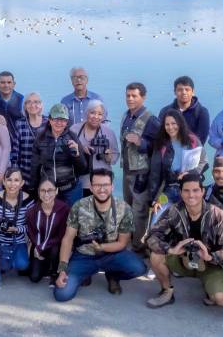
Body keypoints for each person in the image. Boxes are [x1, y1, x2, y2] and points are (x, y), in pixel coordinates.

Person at [53, 169, 147, 301]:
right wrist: (62, 269)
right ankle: (84, 274)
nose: (102, 189)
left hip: (111, 254)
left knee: (139, 268)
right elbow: (68, 239)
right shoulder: (79, 206)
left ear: (112, 186)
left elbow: (122, 243)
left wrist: (102, 247)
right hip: (83, 256)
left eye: (106, 185)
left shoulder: (124, 208)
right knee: (62, 294)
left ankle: (113, 274)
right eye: (97, 185)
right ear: (91, 187)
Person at [145, 172, 223, 308]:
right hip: (183, 260)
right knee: (156, 256)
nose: (191, 195)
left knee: (221, 300)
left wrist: (209, 256)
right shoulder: (174, 211)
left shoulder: (217, 215)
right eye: (186, 191)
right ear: (181, 193)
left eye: (195, 190)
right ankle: (166, 291)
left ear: (202, 191)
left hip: (210, 265)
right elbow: (152, 236)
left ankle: (210, 285)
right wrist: (171, 249)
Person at [120, 82, 161, 252]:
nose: (130, 99)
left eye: (134, 96)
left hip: (141, 172)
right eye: (128, 95)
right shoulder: (126, 116)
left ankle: (139, 246)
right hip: (127, 170)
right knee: (128, 207)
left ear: (143, 97)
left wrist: (141, 142)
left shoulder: (151, 119)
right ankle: (130, 240)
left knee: (139, 211)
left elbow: (160, 146)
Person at [30, 103, 88, 205]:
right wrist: (33, 188)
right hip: (49, 190)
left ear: (67, 122)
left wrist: (77, 154)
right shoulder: (40, 138)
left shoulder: (72, 137)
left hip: (71, 189)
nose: (59, 123)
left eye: (63, 120)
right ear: (50, 120)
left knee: (73, 215)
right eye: (56, 119)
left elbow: (83, 168)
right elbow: (35, 165)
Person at [147, 110, 207, 206]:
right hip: (168, 191)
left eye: (173, 123)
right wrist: (153, 199)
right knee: (158, 213)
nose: (170, 127)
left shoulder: (193, 140)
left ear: (180, 123)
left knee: (190, 213)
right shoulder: (161, 144)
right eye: (167, 124)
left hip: (190, 188)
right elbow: (155, 173)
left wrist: (191, 172)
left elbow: (203, 162)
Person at [70, 100, 120, 197]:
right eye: (92, 113)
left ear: (103, 116)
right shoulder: (74, 129)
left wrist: (108, 157)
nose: (96, 117)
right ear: (86, 113)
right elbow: (67, 153)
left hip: (102, 182)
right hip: (80, 181)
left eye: (100, 114)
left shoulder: (108, 132)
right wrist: (81, 149)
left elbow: (115, 156)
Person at [25, 176, 70, 284]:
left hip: (56, 246)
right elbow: (31, 233)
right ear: (38, 192)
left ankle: (55, 272)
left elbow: (61, 235)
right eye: (43, 190)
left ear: (56, 191)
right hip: (38, 245)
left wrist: (42, 247)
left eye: (50, 190)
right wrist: (37, 247)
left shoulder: (64, 209)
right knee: (34, 278)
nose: (46, 194)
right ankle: (45, 265)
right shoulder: (32, 211)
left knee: (54, 250)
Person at [157, 76, 210, 144]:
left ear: (193, 92)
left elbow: (201, 138)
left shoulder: (202, 112)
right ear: (175, 92)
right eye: (180, 90)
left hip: (193, 148)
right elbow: (160, 134)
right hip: (169, 148)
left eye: (187, 89)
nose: (184, 92)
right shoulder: (165, 111)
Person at [12, 92, 47, 177]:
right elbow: (15, 152)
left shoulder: (48, 123)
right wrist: (15, 172)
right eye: (29, 102)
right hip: (26, 172)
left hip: (45, 174)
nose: (32, 105)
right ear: (25, 106)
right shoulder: (20, 124)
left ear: (41, 105)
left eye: (36, 102)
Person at [0, 70, 25, 144]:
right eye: (2, 82)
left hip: (19, 141)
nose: (6, 85)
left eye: (9, 82)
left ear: (14, 84)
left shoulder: (22, 100)